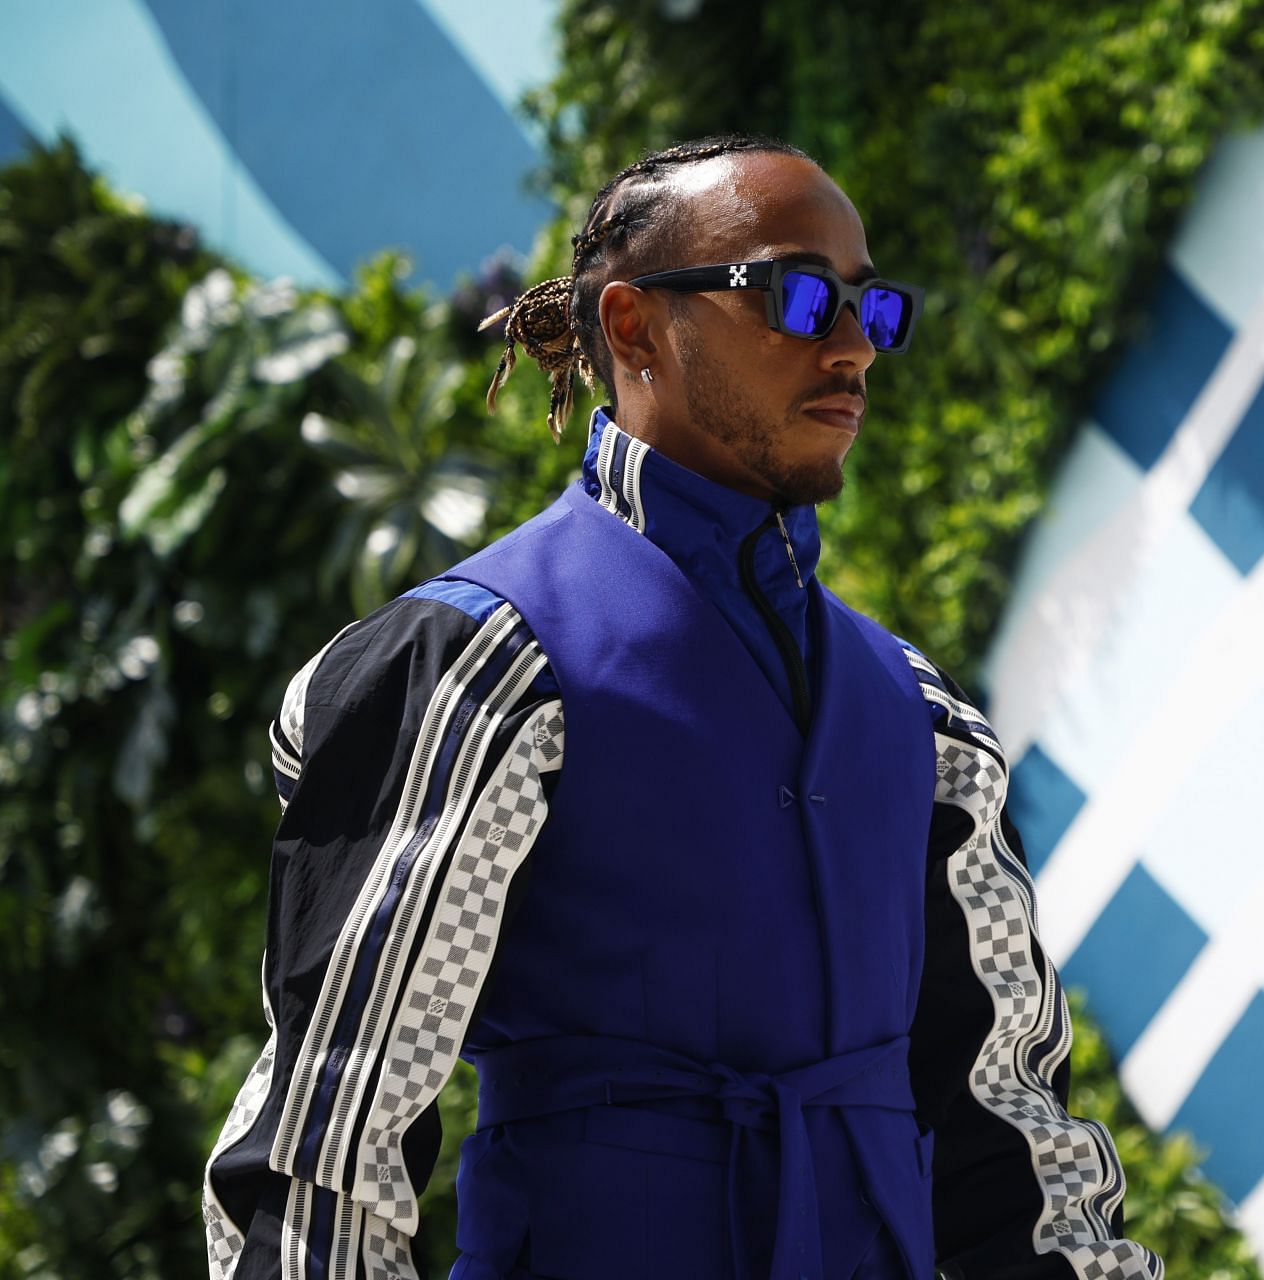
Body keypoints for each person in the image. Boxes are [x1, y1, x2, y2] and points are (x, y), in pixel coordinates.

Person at [202, 134, 1163, 1280]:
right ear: (633, 327)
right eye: (798, 296)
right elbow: (329, 1157)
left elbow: (1015, 1142)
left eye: (871, 306)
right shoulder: (480, 668)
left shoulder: (922, 720)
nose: (854, 345)